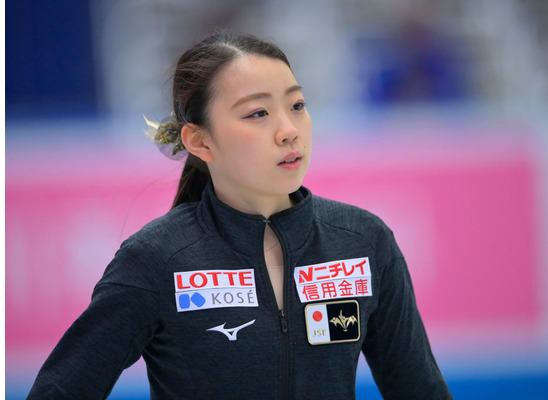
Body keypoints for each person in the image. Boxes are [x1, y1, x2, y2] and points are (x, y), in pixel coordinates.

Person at [27, 32, 452, 399]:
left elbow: (420, 390)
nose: (289, 129)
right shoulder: (157, 259)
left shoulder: (363, 242)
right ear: (200, 141)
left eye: (298, 105)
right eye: (258, 113)